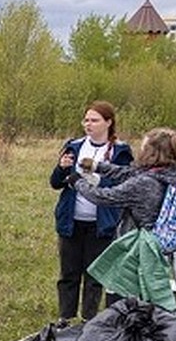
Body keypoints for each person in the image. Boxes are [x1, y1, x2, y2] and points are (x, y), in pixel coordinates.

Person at [71, 127, 176, 310]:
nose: (140, 151)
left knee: (125, 300)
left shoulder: (145, 184)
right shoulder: (173, 175)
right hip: (158, 245)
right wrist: (97, 166)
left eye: (144, 147)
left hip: (137, 248)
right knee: (149, 298)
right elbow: (128, 173)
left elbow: (104, 197)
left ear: (152, 153)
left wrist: (78, 182)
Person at [49, 101, 133, 326]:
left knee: (95, 274)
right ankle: (65, 318)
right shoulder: (74, 146)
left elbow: (124, 183)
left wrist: (97, 178)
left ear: (108, 122)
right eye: (86, 120)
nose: (89, 124)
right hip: (71, 219)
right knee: (68, 272)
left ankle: (89, 319)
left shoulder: (120, 151)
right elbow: (55, 183)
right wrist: (62, 168)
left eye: (94, 120)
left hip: (101, 222)